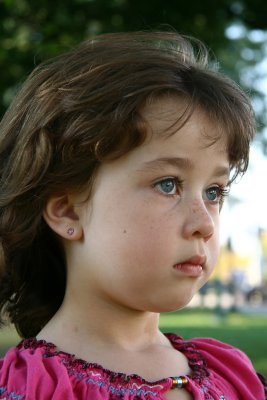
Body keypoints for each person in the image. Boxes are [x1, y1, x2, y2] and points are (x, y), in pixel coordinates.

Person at [0, 31, 265, 400]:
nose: (204, 224)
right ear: (66, 210)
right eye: (168, 184)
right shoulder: (32, 388)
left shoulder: (233, 376)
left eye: (213, 192)